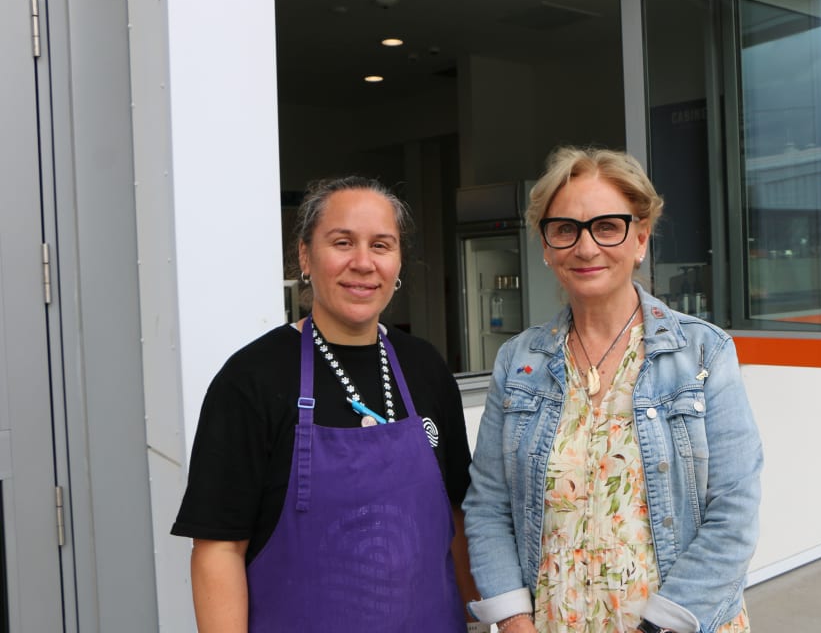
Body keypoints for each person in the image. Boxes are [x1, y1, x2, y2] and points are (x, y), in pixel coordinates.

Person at [463, 147, 763, 633]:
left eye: (607, 226)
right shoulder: (518, 361)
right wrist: (514, 619)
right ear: (545, 245)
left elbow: (734, 514)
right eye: (565, 229)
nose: (585, 248)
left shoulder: (703, 354)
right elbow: (488, 504)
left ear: (641, 237)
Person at [172, 177, 475, 632]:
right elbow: (219, 549)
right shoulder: (252, 379)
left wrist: (476, 618)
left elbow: (457, 514)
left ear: (398, 263)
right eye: (342, 242)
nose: (362, 263)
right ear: (304, 257)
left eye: (381, 245)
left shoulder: (424, 366)